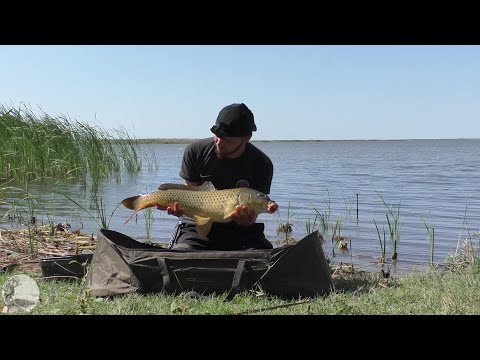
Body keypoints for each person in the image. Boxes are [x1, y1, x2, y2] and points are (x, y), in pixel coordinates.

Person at [158, 102, 276, 251]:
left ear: (246, 138)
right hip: (195, 226)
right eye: (217, 135)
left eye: (227, 139)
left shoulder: (262, 163)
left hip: (240, 231)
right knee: (181, 256)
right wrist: (181, 209)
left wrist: (245, 220)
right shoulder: (195, 151)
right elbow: (190, 195)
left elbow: (251, 218)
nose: (219, 143)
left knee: (263, 259)